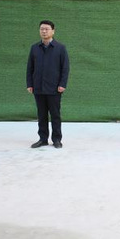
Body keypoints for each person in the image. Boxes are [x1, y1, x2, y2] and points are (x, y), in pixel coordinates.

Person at [26, 20, 69, 149]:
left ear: (53, 31)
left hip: (54, 88)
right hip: (38, 87)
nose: (44, 31)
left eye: (47, 29)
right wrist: (30, 84)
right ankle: (43, 139)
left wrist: (62, 84)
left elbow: (65, 68)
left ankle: (57, 139)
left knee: (55, 115)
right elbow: (30, 68)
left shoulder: (60, 48)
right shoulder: (34, 48)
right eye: (42, 29)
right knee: (41, 115)